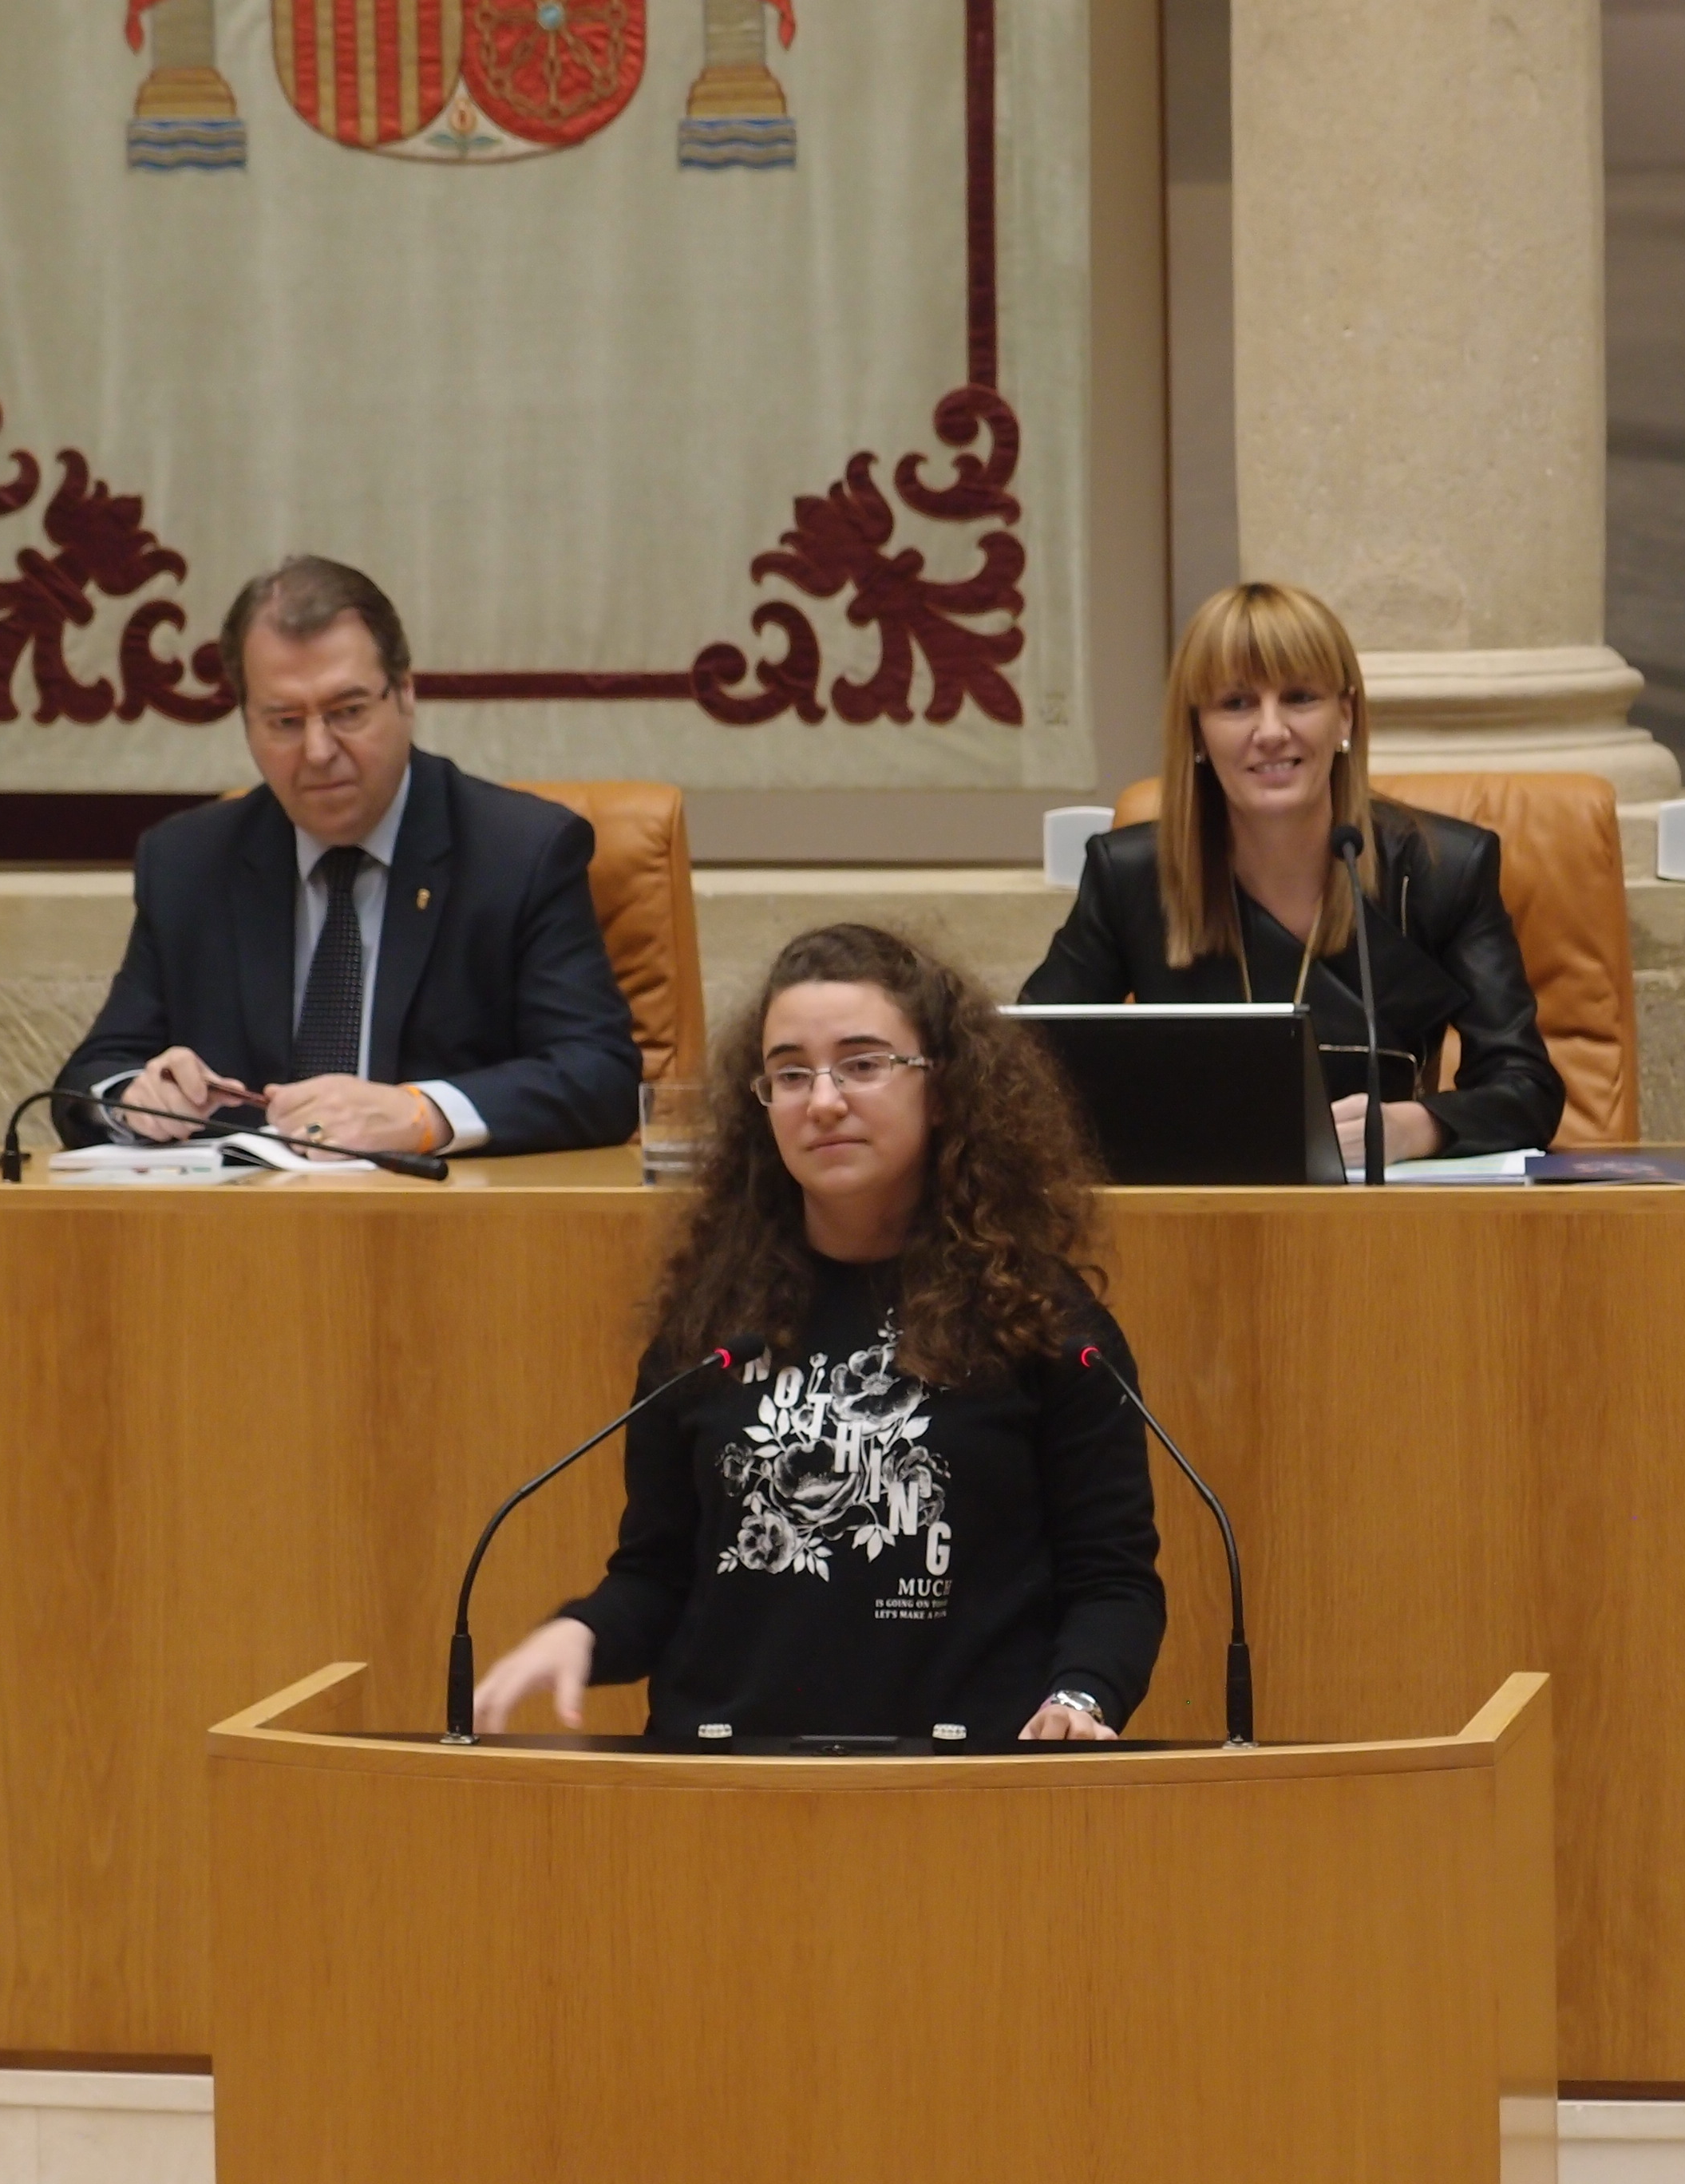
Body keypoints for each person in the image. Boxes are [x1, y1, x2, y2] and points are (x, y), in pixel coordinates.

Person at [474, 923, 1165, 1744]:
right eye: (790, 1074)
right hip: (726, 1784)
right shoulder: (712, 1323)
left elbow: (1113, 1582)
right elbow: (658, 1577)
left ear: (942, 1088)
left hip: (968, 1789)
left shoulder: (1045, 1325)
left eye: (864, 1064)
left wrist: (1082, 1697)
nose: (825, 1099)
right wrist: (582, 1633)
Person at [52, 556, 641, 1155]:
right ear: (246, 722)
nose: (317, 750)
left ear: (405, 694)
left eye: (348, 712)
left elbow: (600, 1075)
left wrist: (422, 1113)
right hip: (241, 1232)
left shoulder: (519, 853)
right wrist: (140, 1100)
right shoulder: (187, 863)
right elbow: (91, 1076)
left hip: (446, 1227)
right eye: (284, 721)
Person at [1020, 581, 1564, 1161]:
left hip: (1378, 1220)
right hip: (1193, 1214)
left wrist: (1417, 1127)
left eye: (1300, 697)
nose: (1272, 730)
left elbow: (1527, 1089)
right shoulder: (1130, 875)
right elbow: (1021, 1069)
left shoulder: (1439, 871)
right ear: (1198, 732)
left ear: (1345, 716)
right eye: (1237, 703)